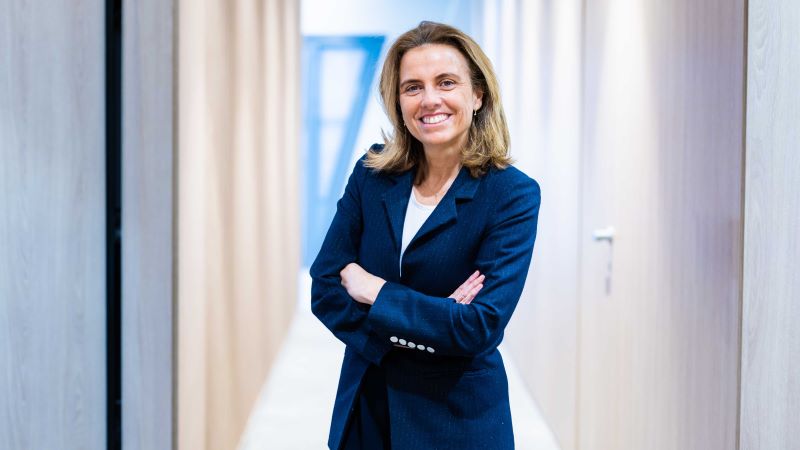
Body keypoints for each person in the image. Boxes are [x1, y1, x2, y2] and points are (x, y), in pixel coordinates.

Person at [310, 21, 541, 450]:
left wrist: (376, 291)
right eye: (412, 87)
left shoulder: (511, 194)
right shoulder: (373, 173)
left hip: (455, 419)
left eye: (446, 82)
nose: (429, 99)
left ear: (478, 95)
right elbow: (325, 286)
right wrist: (435, 319)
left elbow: (478, 327)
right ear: (397, 102)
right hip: (368, 410)